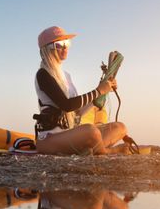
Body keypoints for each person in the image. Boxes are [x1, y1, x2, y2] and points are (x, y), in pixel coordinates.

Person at [34, 26, 129, 155]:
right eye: (60, 44)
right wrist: (98, 91)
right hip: (50, 138)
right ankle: (108, 151)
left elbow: (77, 112)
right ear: (47, 49)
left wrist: (103, 91)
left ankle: (90, 148)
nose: (65, 47)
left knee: (120, 127)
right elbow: (67, 105)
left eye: (67, 43)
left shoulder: (66, 75)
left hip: (70, 134)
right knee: (91, 131)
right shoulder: (43, 74)